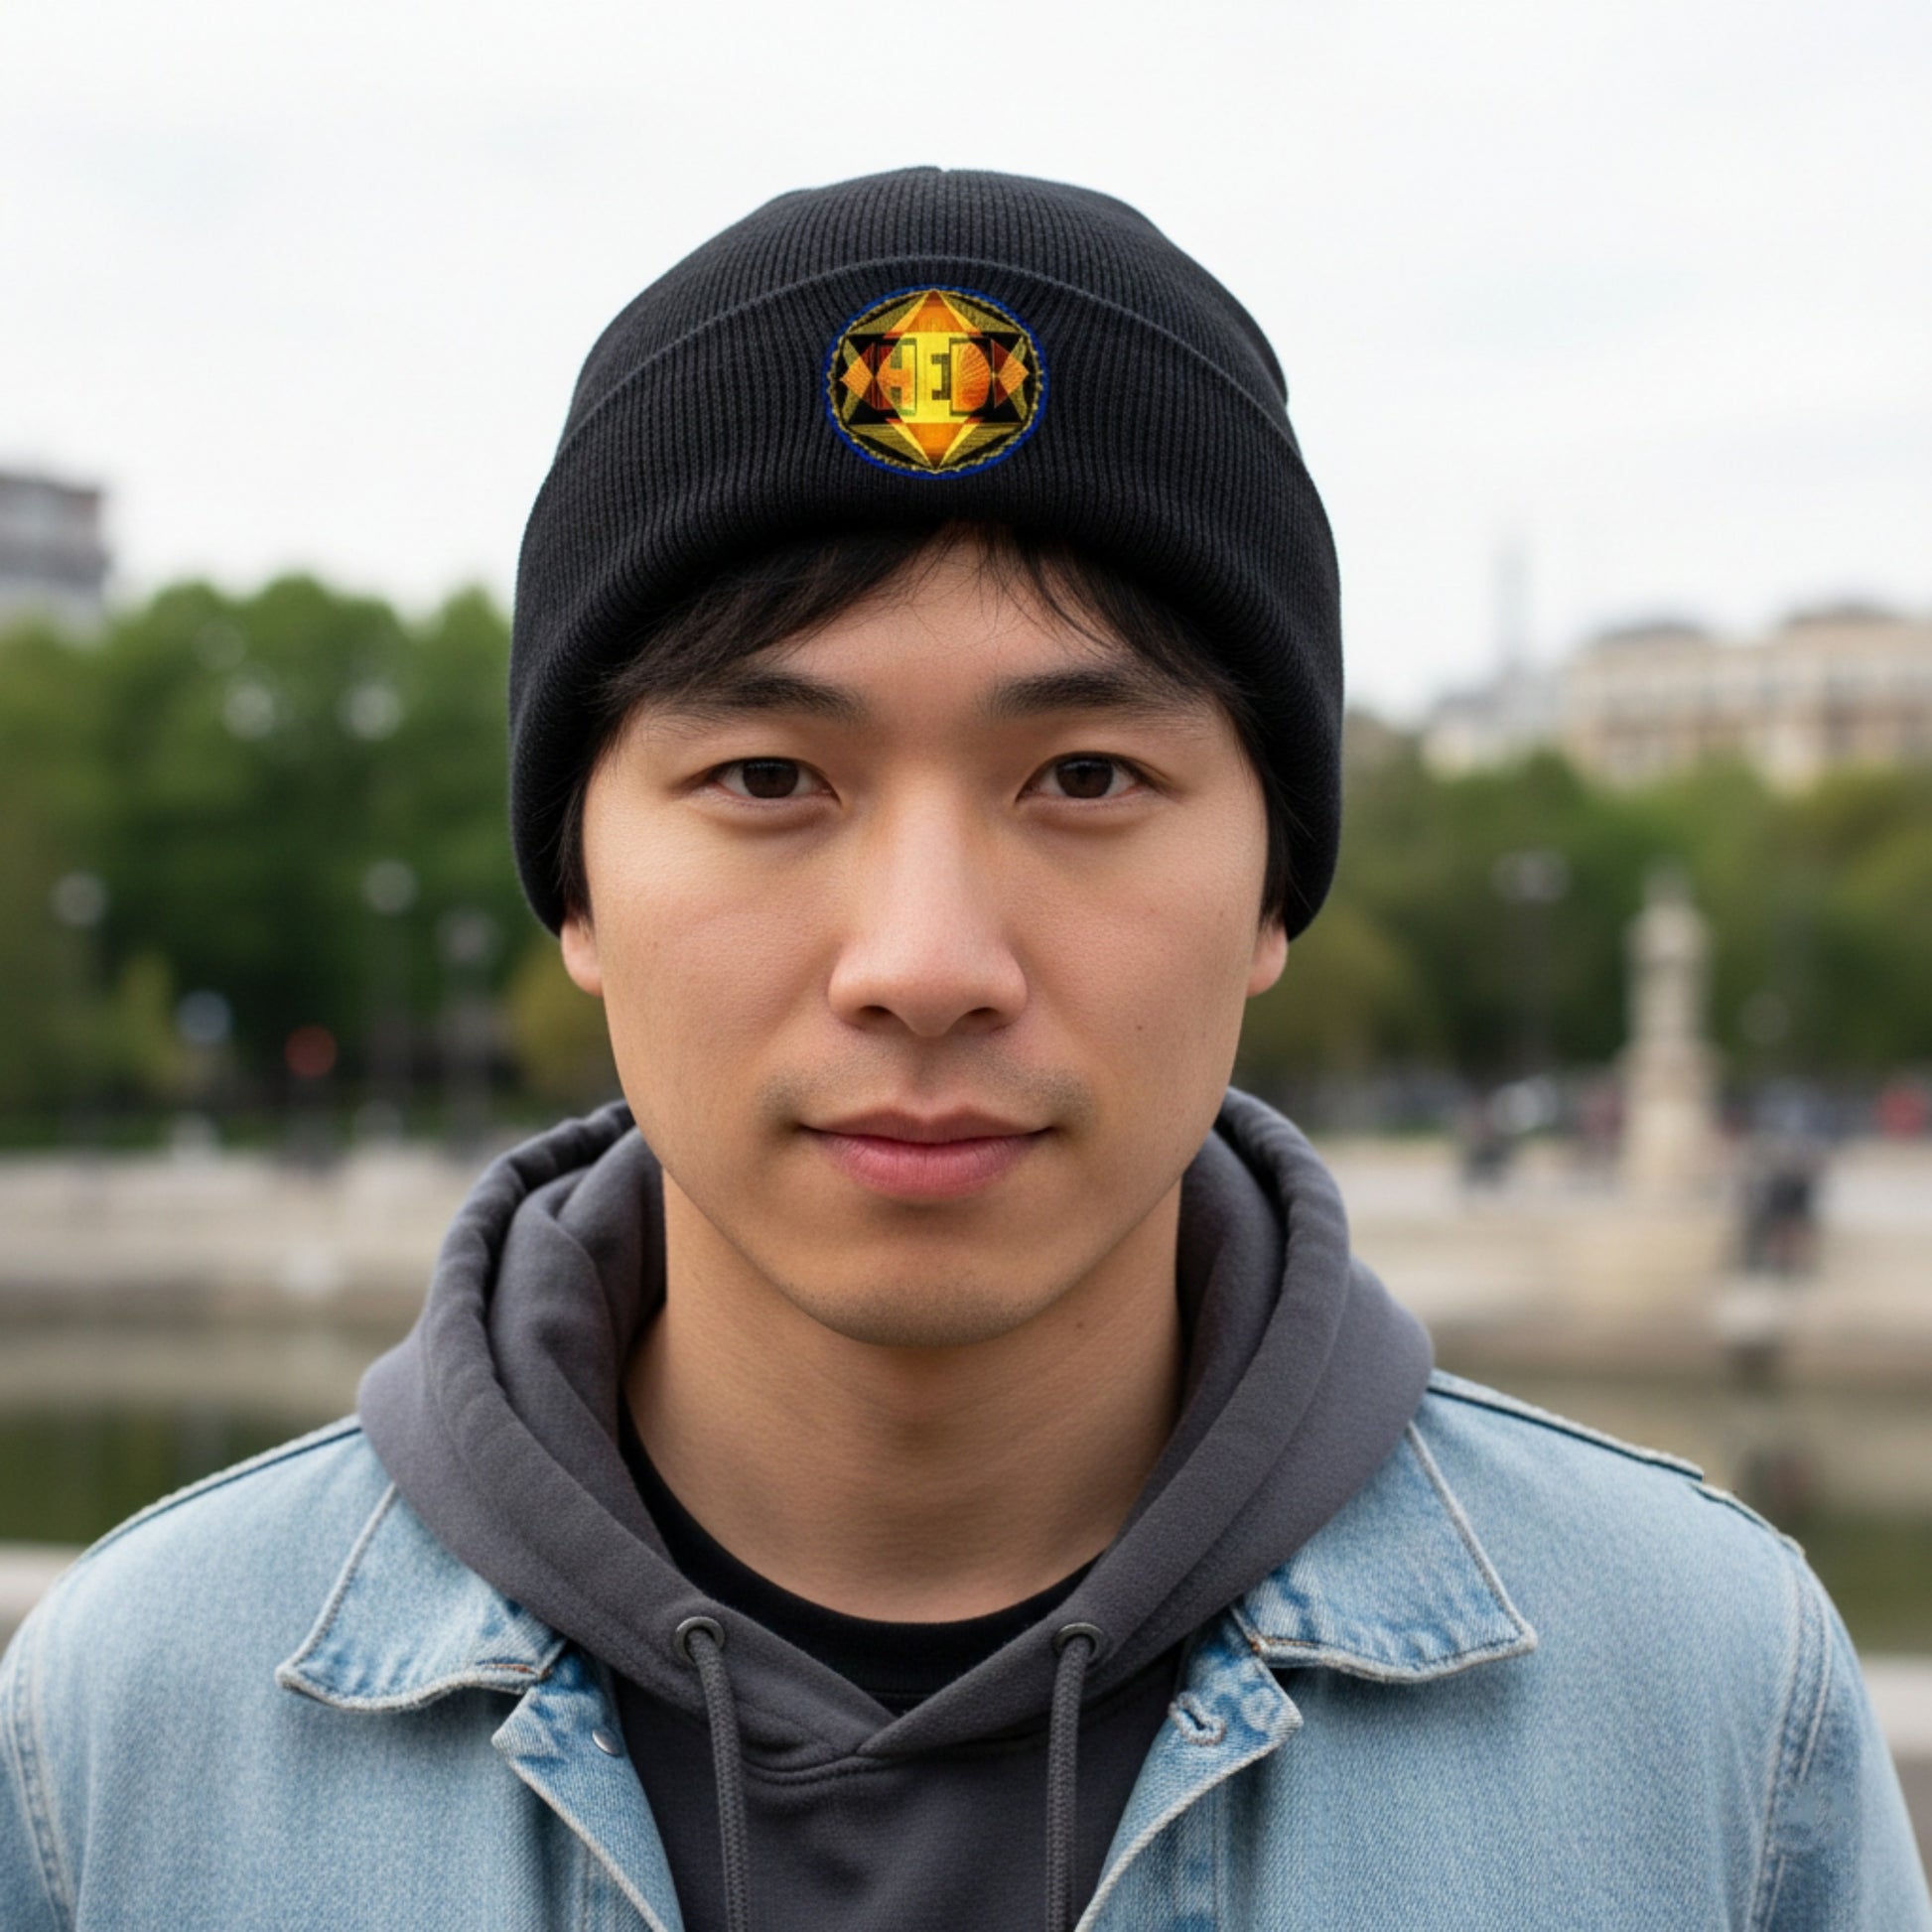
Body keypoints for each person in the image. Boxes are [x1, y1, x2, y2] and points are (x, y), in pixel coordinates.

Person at [2, 168, 1925, 1931]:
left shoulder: (1699, 1705)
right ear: (569, 882)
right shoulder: (126, 1728)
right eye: (766, 775)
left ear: (1279, 885)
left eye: (1085, 775)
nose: (925, 962)